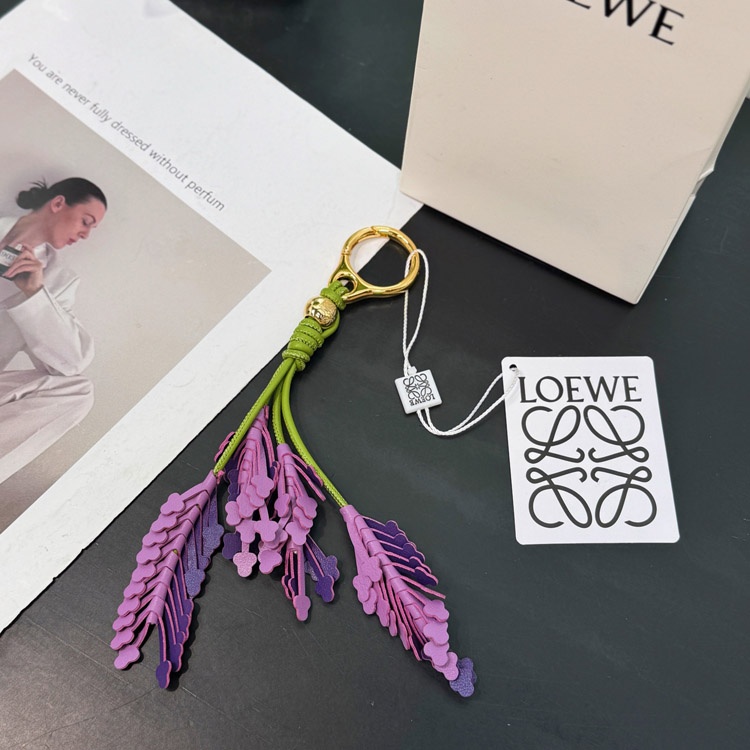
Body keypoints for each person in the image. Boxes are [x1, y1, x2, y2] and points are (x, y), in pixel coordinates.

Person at [0, 177, 107, 485]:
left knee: (78, 391)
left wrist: (35, 293)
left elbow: (71, 363)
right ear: (58, 203)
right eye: (86, 221)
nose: (85, 235)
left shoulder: (57, 280)